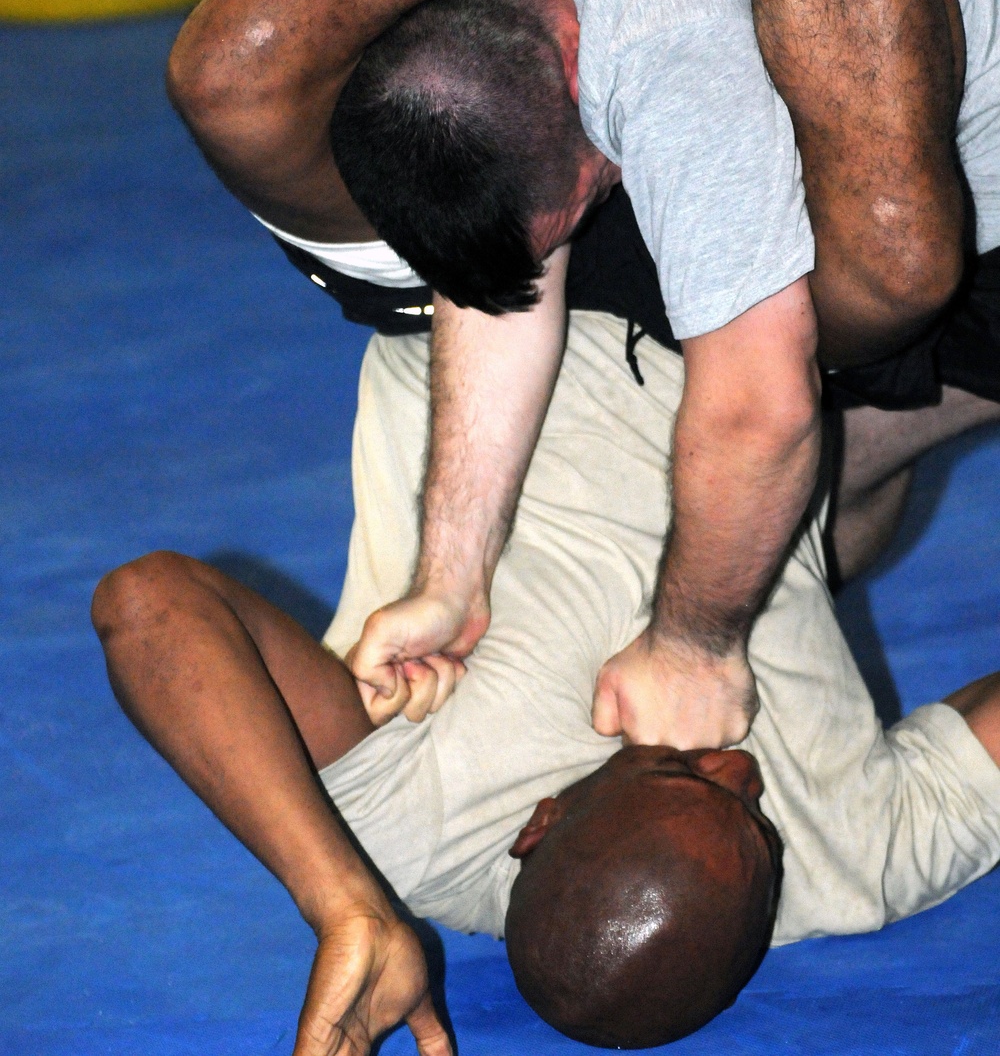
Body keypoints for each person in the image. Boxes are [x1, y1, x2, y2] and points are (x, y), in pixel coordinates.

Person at [168, 0, 968, 753]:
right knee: (796, 463)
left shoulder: (676, 56)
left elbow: (758, 413)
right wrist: (454, 573)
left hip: (954, 133)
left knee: (886, 283)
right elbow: (506, 245)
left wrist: (696, 644)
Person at [91, 308, 1000, 1053]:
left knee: (234, 89)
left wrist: (340, 900)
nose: (740, 768)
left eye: (676, 769)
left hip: (487, 291)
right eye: (761, 831)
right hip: (783, 360)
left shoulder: (419, 828)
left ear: (540, 823)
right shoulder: (856, 860)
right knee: (901, 259)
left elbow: (149, 604)